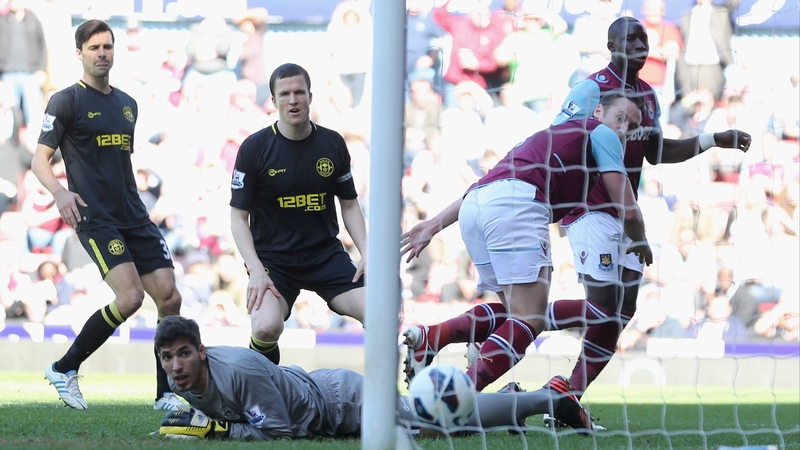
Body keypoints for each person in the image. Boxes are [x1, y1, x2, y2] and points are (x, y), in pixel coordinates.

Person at [543, 16, 750, 404]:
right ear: (611, 45)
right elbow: (559, 140)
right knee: (601, 308)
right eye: (630, 37)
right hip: (590, 210)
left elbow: (656, 152)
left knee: (623, 311)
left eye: (643, 37)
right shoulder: (590, 90)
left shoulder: (649, 96)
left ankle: (568, 397)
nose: (640, 43)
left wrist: (712, 139)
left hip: (626, 213)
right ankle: (522, 320)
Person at [401, 91, 652, 395]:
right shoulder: (600, 134)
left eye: (632, 125)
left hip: (476, 207)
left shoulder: (551, 136)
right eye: (620, 118)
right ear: (598, 112)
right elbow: (627, 206)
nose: (624, 129)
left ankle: (435, 338)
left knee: (513, 316)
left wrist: (434, 224)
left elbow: (485, 184)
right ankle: (458, 395)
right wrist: (640, 241)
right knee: (529, 319)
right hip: (517, 204)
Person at [33, 19, 183, 411]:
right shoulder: (66, 100)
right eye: (94, 47)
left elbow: (119, 164)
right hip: (95, 217)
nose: (102, 54)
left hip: (134, 214)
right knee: (131, 297)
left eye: (108, 47)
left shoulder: (128, 105)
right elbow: (39, 161)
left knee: (169, 298)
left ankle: (165, 395)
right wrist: (61, 192)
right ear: (79, 53)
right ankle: (65, 368)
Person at [154, 316, 592, 440]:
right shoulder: (181, 382)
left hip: (341, 402)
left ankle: (547, 398)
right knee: (436, 423)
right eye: (168, 357)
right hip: (320, 396)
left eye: (185, 354)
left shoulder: (239, 372)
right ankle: (513, 399)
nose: (176, 366)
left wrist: (218, 432)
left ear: (203, 351)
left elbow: (280, 432)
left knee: (433, 422)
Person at [229, 63, 368, 365]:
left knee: (380, 311)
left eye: (299, 93)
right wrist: (255, 268)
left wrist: (366, 250)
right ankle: (265, 396)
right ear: (273, 100)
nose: (293, 100)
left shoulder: (332, 143)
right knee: (266, 327)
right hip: (274, 262)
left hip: (324, 256)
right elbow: (238, 217)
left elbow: (349, 204)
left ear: (310, 96)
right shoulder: (254, 149)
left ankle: (385, 399)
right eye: (285, 94)